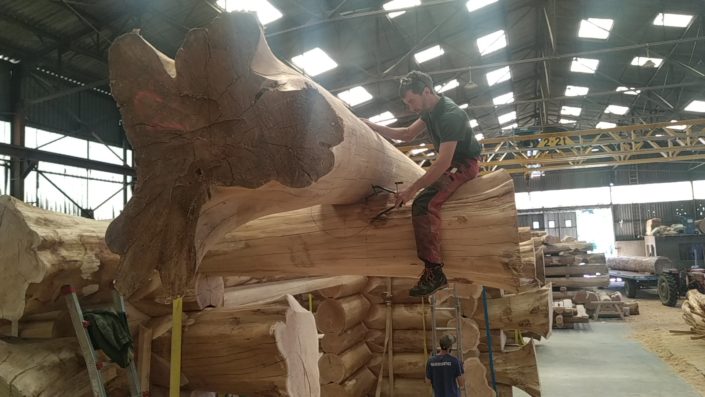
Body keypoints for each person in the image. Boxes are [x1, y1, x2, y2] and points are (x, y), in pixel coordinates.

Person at [362, 71, 482, 296]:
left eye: (412, 101)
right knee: (421, 195)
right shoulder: (430, 111)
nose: (410, 107)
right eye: (407, 103)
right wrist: (373, 126)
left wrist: (412, 190)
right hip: (451, 161)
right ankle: (432, 269)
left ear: (427, 91)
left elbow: (443, 162)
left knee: (424, 203)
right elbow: (407, 134)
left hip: (464, 163)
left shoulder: (450, 115)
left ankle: (434, 271)